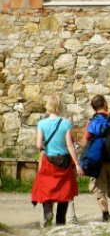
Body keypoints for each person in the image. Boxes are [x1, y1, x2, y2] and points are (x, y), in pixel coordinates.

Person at [31, 95, 84, 227]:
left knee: (46, 188)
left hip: (49, 159)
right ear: (60, 107)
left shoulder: (41, 124)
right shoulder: (65, 123)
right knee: (64, 191)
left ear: (48, 106)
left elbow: (38, 145)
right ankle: (60, 221)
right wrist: (77, 164)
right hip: (64, 160)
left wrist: (46, 144)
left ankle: (48, 211)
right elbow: (70, 145)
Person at [81, 95, 110, 222]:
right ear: (105, 104)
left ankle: (105, 214)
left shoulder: (92, 122)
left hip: (98, 160)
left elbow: (85, 142)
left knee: (98, 187)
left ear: (94, 108)